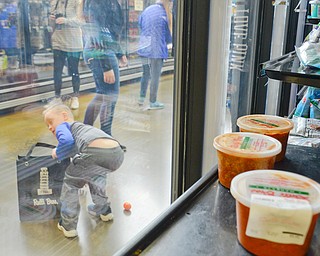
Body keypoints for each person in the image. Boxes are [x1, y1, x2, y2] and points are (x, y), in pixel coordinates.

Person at [43, 102, 124, 238]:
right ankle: (104, 210)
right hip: (116, 153)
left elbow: (67, 141)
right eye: (48, 126)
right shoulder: (83, 128)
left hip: (95, 152)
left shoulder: (64, 126)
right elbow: (77, 148)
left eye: (51, 122)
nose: (50, 127)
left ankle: (68, 225)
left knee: (71, 182)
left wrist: (57, 151)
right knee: (96, 178)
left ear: (64, 116)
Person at [79, 0, 127, 135]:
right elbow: (98, 30)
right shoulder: (100, 2)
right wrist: (106, 66)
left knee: (103, 95)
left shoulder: (109, 3)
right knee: (109, 96)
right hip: (100, 52)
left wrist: (120, 52)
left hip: (102, 51)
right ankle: (105, 136)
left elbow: (110, 32)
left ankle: (86, 134)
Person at [137, 0, 172, 110]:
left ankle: (141, 98)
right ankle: (153, 101)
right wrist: (170, 44)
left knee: (146, 73)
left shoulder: (147, 10)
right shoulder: (164, 13)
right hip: (156, 50)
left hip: (144, 48)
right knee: (155, 76)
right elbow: (167, 35)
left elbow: (140, 25)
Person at [49, 0, 83, 109]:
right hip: (58, 40)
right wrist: (51, 19)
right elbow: (50, 25)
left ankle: (75, 96)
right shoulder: (54, 2)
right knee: (57, 70)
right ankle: (57, 97)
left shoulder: (78, 2)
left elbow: (81, 20)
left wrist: (66, 20)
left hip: (73, 41)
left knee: (74, 70)